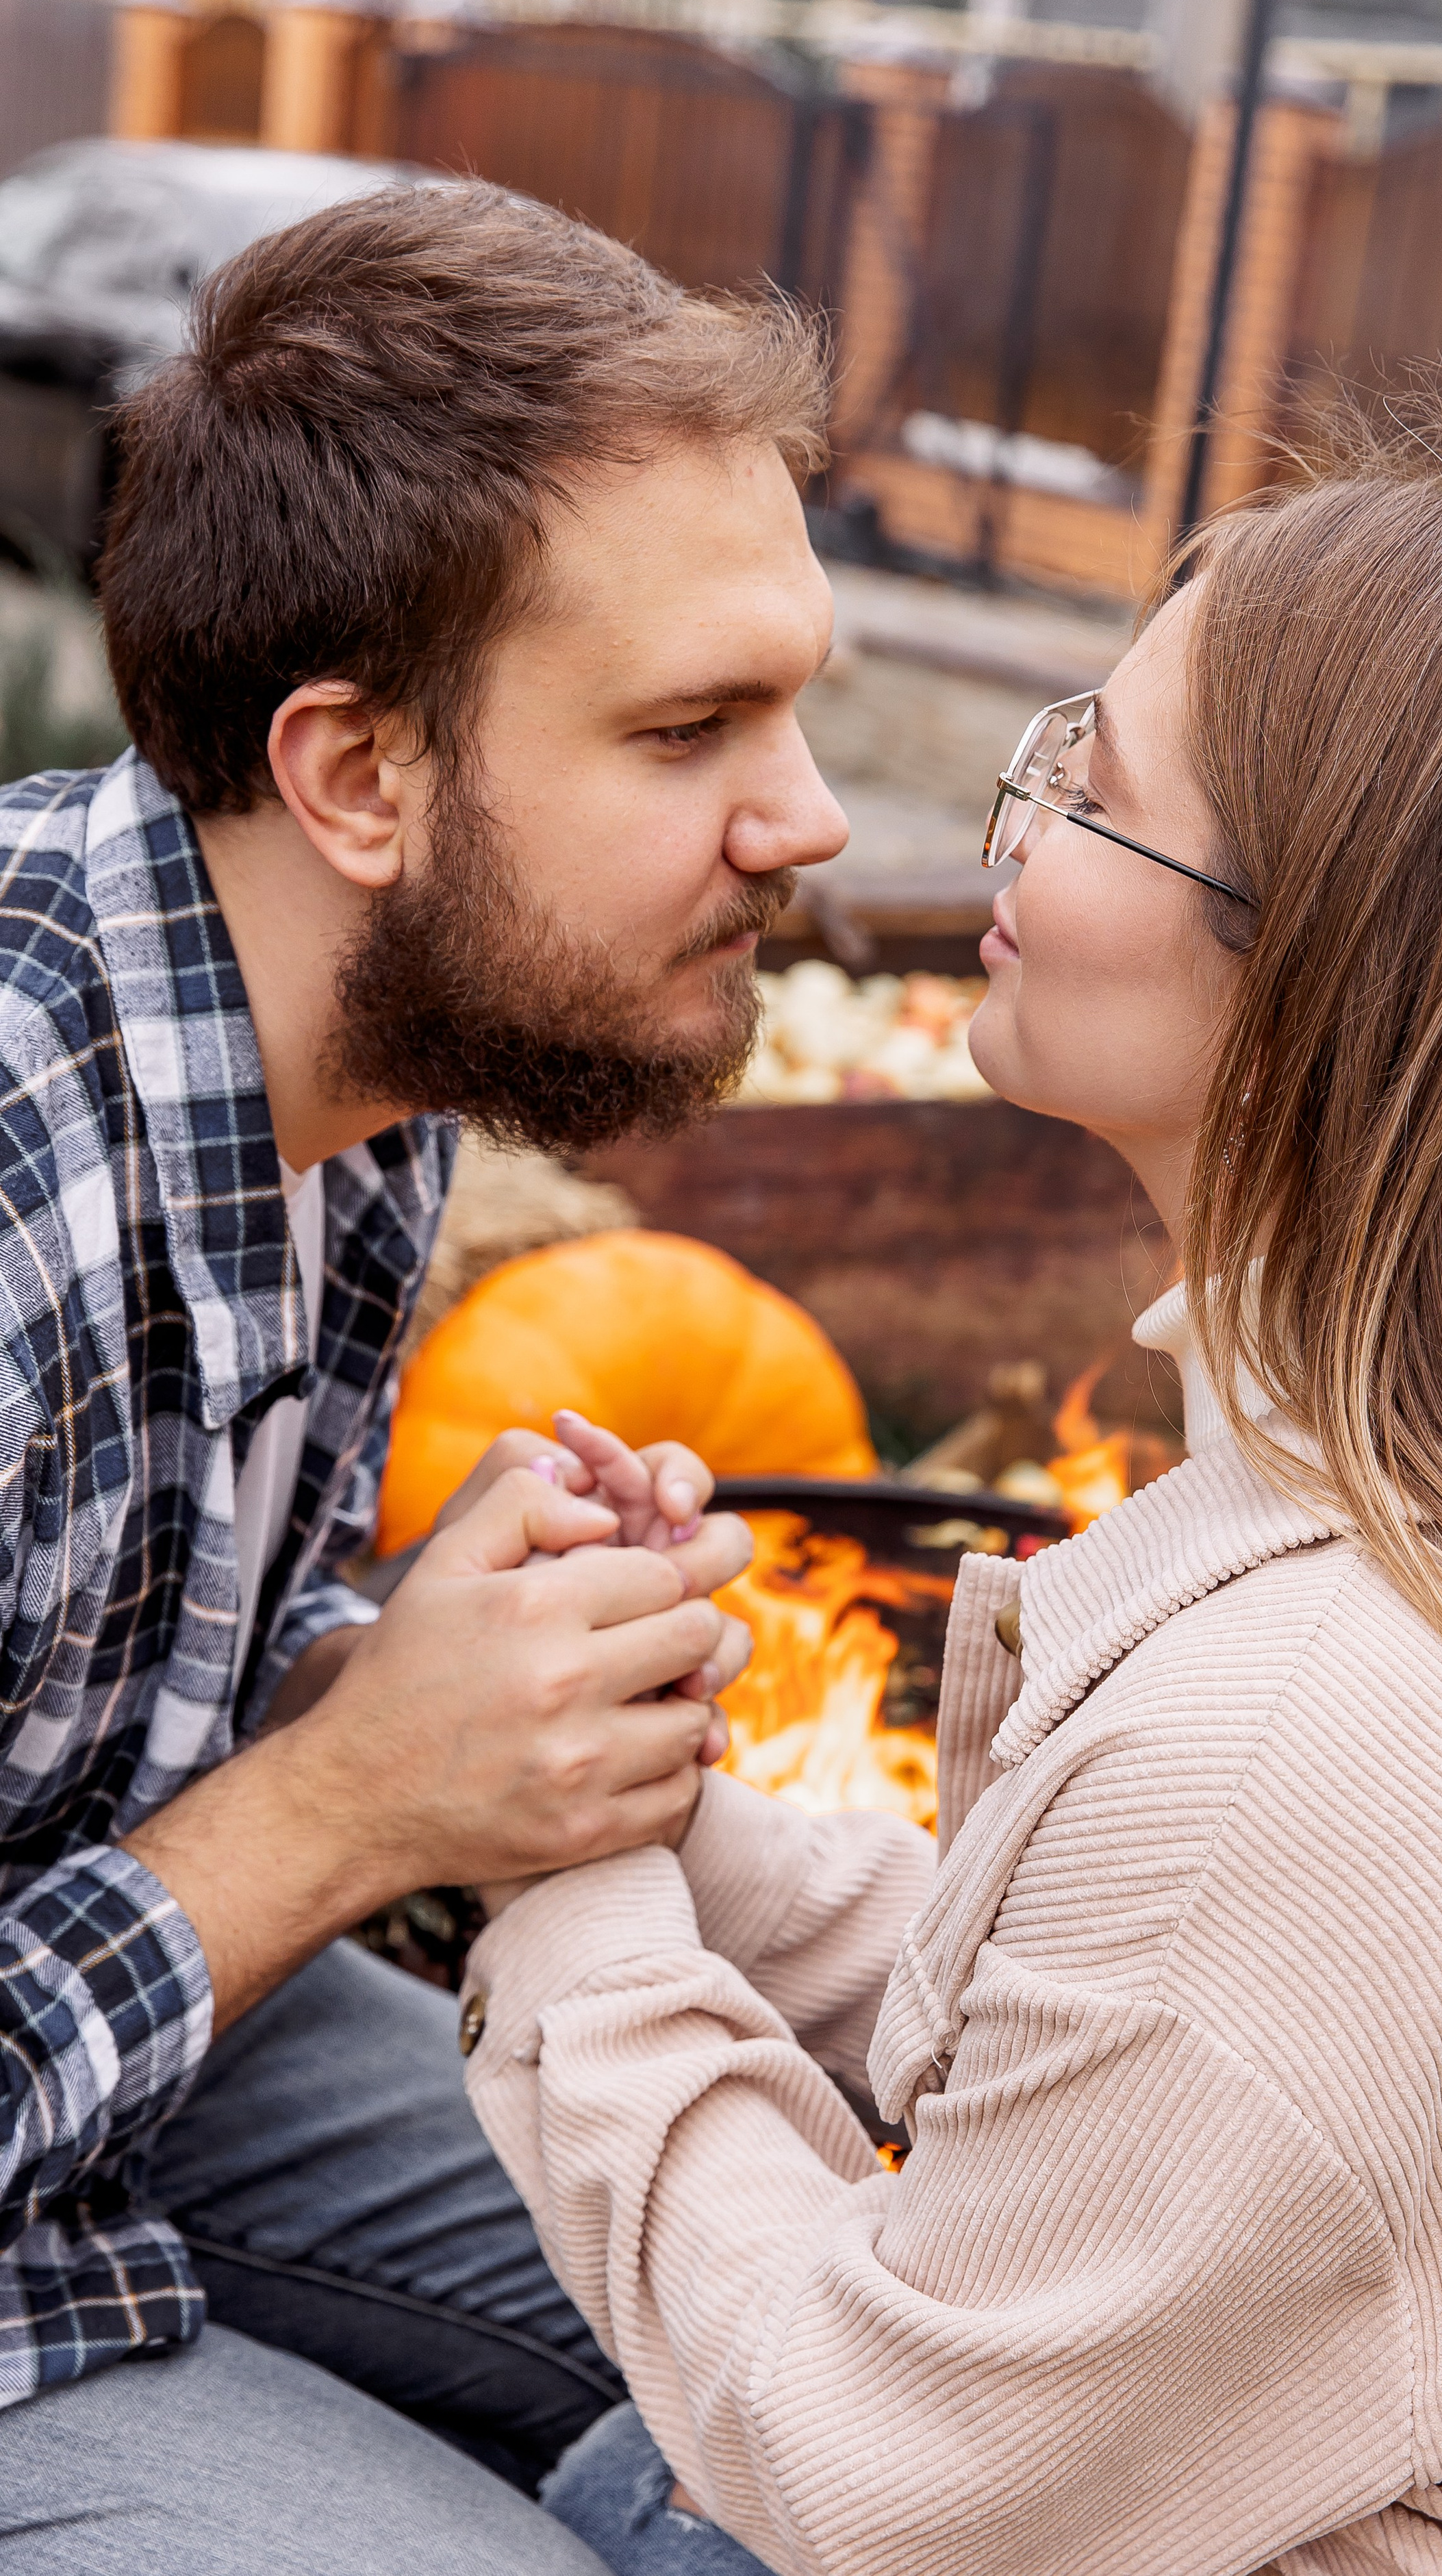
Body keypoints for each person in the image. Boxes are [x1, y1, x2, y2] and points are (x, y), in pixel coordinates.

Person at [466, 429, 1442, 2576]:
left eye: (1099, 788)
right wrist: (679, 1820)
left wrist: (556, 1901)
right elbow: (1172, 2055)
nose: (1007, 819)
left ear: (1317, 970)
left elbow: (876, 2484)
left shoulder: (1310, 1730)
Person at [0, 177, 848, 2571]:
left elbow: (111, 1702)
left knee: (838, 2387)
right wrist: (357, 1809)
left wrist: (414, 1668)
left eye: (793, 704)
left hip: (124, 2030)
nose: (802, 822)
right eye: (692, 731)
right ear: (358, 778)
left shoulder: (346, 1075)